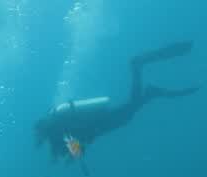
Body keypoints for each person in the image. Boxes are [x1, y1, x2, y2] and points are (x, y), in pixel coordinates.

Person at [34, 41, 198, 162]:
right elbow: (75, 144)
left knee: (129, 112)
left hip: (103, 122)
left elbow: (72, 144)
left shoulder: (57, 132)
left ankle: (138, 67)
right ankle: (150, 93)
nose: (39, 139)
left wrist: (68, 155)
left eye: (39, 135)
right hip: (102, 121)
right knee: (131, 111)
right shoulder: (58, 128)